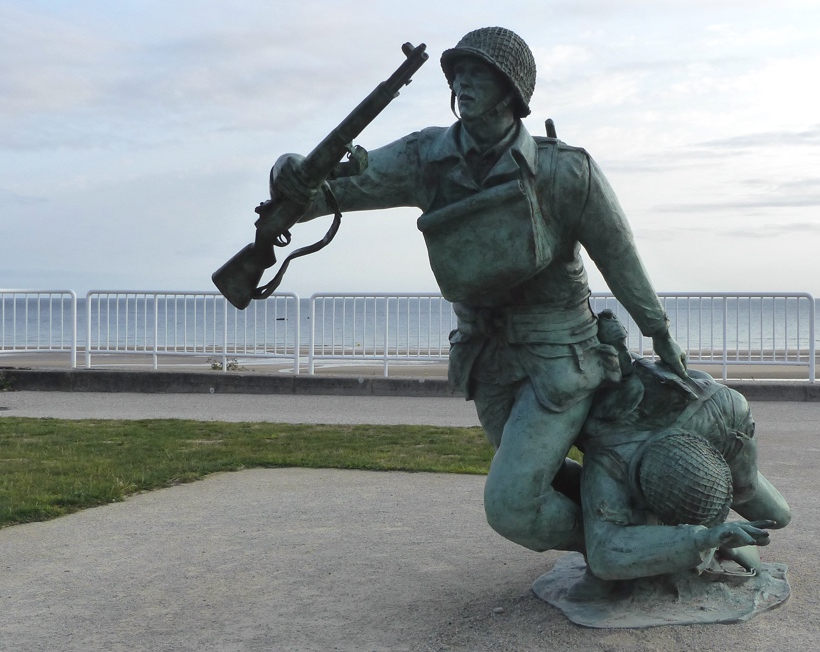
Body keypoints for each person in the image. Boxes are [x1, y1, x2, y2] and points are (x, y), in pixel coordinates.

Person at [271, 27, 687, 554]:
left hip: (560, 358)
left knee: (512, 505)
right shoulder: (427, 156)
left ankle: (620, 549)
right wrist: (289, 177)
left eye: (477, 73)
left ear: (511, 90)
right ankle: (643, 538)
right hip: (486, 362)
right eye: (457, 73)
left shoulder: (564, 170)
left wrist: (659, 332)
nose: (462, 82)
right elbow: (333, 190)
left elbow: (619, 255)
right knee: (542, 479)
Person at [575, 316, 791, 580]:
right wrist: (702, 539)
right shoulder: (609, 458)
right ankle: (700, 536)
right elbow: (604, 554)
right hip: (652, 450)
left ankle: (710, 528)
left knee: (778, 516)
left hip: (717, 421)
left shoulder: (721, 409)